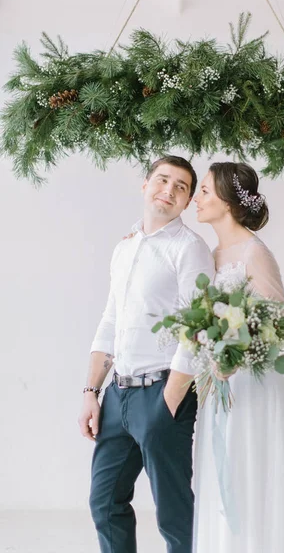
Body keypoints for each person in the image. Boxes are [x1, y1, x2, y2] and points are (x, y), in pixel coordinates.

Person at [191, 162, 284, 553]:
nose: (196, 198)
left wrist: (236, 356)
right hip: (217, 386)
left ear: (227, 200)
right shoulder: (210, 253)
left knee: (251, 469)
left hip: (251, 384)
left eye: (204, 191)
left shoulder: (254, 253)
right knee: (223, 477)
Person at [78, 155, 215, 553]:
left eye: (181, 187)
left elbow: (197, 329)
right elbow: (110, 320)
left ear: (188, 201)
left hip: (162, 393)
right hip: (117, 393)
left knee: (173, 513)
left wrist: (168, 402)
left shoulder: (190, 249)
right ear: (145, 184)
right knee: (104, 502)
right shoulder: (126, 247)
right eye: (162, 180)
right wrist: (91, 391)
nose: (168, 191)